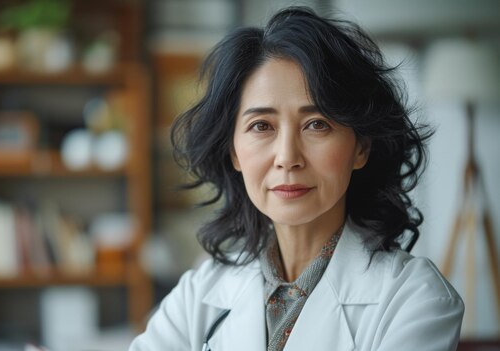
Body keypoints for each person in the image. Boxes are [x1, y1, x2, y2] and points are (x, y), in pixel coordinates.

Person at [130, 6, 464, 351]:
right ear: (233, 151)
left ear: (360, 147)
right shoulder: (199, 293)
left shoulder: (416, 299)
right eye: (261, 126)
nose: (287, 157)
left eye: (317, 124)